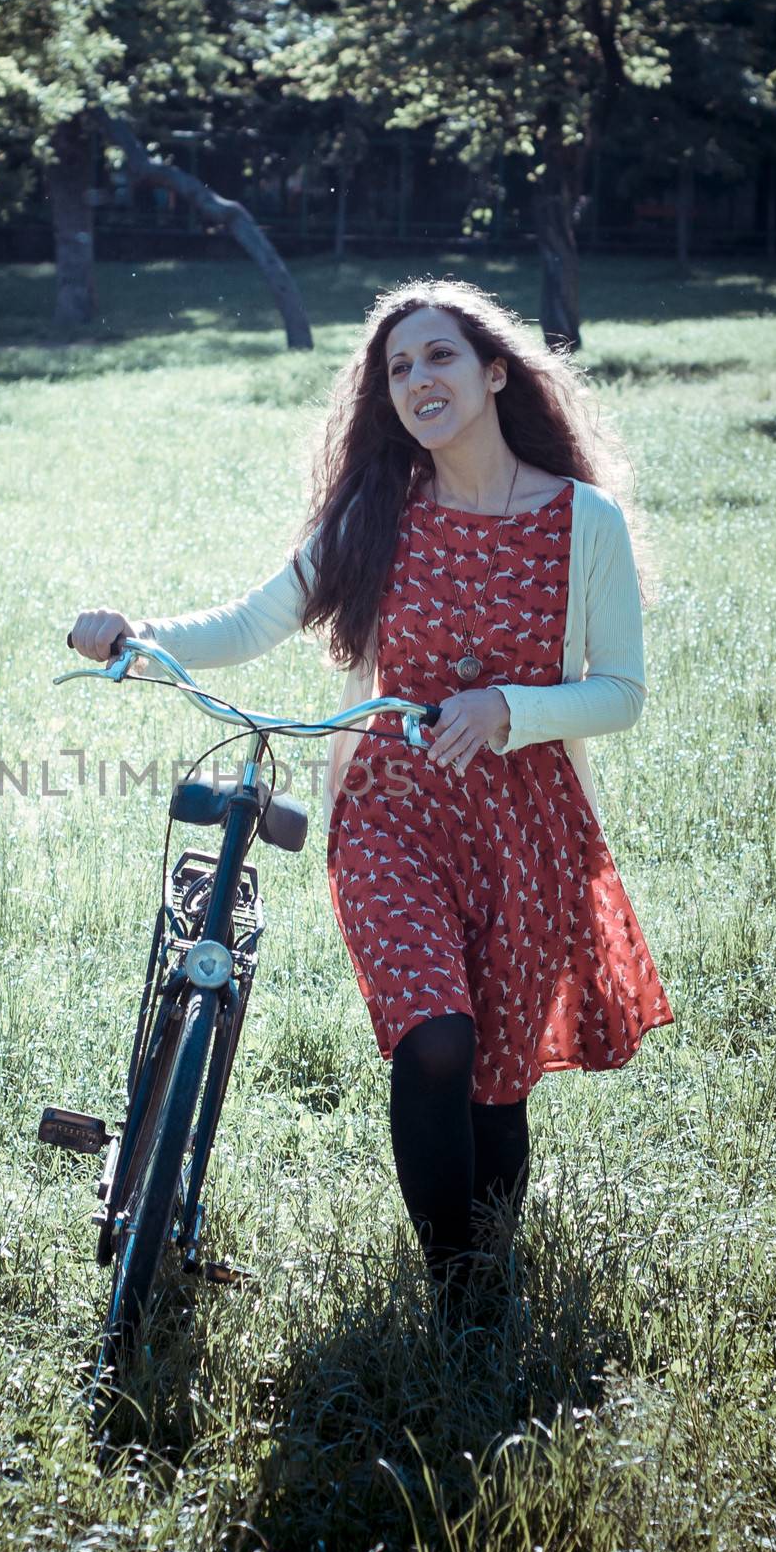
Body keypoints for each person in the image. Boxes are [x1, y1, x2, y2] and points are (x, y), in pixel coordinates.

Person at [68, 277, 675, 1322]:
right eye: (397, 369)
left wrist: (505, 708)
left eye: (437, 358)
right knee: (436, 1039)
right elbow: (254, 622)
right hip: (393, 810)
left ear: (493, 372)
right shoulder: (377, 515)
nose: (416, 381)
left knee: (494, 1077)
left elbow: (618, 692)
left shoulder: (585, 522)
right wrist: (140, 640)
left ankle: (488, 1282)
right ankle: (454, 1302)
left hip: (528, 824)